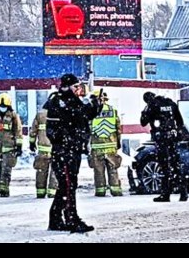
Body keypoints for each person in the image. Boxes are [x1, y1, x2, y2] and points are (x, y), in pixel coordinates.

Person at [44, 73, 102, 233]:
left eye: (79, 87)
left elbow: (85, 115)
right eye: (75, 87)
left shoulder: (72, 102)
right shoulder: (59, 102)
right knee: (68, 185)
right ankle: (71, 219)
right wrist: (67, 142)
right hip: (64, 151)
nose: (78, 90)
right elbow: (74, 117)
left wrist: (96, 104)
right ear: (66, 87)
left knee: (67, 185)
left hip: (72, 150)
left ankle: (55, 218)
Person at [140, 91, 189, 203]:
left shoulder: (152, 105)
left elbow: (143, 122)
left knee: (164, 166)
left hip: (161, 139)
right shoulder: (170, 103)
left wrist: (144, 112)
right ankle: (183, 192)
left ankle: (165, 194)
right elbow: (180, 121)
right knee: (176, 165)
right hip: (172, 138)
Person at [89, 88, 123, 197]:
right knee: (112, 168)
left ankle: (100, 191)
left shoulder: (91, 112)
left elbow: (88, 128)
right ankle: (116, 190)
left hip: (97, 145)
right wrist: (118, 141)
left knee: (98, 170)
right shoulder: (112, 110)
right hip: (111, 144)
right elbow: (118, 128)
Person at [28, 101, 58, 200]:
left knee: (41, 171)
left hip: (42, 150)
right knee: (55, 172)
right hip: (56, 149)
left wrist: (32, 143)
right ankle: (52, 192)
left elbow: (33, 131)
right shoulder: (61, 113)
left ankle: (40, 192)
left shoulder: (40, 115)